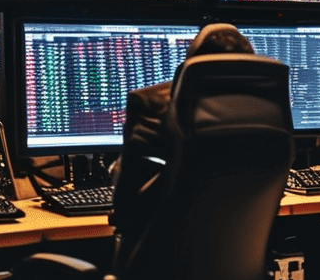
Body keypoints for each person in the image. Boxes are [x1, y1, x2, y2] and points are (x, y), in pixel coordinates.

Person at [110, 23, 256, 245]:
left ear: (188, 72)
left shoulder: (155, 110)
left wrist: (119, 168)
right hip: (241, 272)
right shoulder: (260, 117)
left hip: (158, 269)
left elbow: (123, 206)